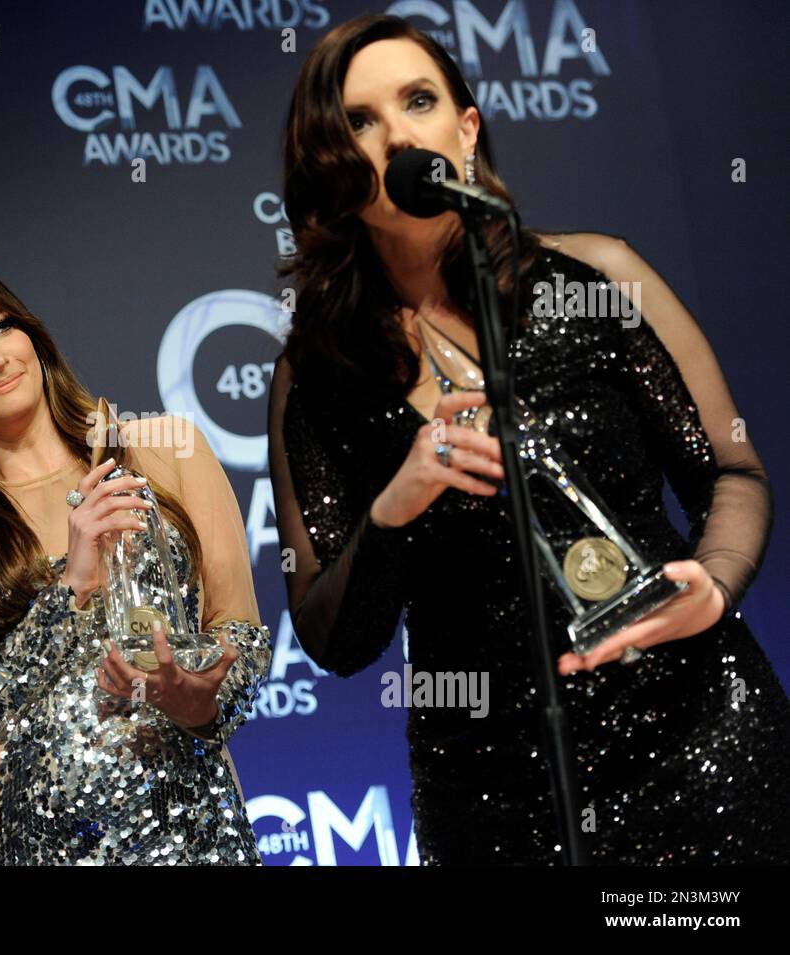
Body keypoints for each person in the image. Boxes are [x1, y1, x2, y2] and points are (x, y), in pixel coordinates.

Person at [267, 14, 790, 864]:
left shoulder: (597, 278)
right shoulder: (320, 377)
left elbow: (731, 470)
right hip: (491, 793)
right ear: (331, 164)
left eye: (419, 101)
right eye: (359, 120)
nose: (396, 133)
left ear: (464, 131)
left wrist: (716, 586)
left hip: (698, 738)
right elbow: (333, 639)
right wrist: (396, 506)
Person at [0, 247, 270, 865]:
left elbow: (243, 635)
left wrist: (194, 697)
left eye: (1, 324)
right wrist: (69, 591)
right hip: (37, 844)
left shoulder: (164, 449)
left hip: (195, 833)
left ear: (29, 329)